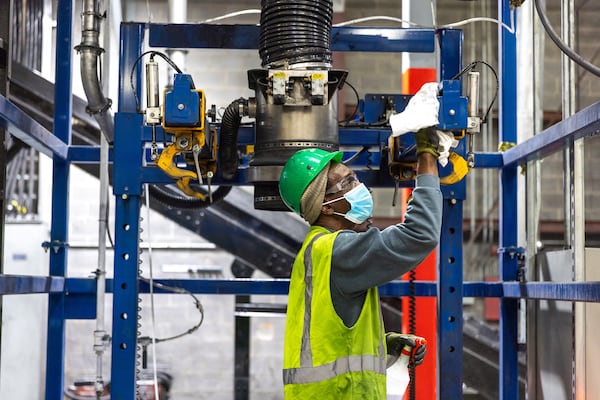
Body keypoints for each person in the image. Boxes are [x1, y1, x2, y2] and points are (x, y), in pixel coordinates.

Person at [278, 127, 443, 399]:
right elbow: (420, 234)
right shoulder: (338, 251)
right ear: (326, 206)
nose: (360, 188)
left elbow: (323, 336)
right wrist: (427, 155)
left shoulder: (315, 249)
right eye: (348, 183)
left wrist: (383, 344)